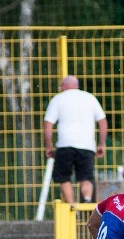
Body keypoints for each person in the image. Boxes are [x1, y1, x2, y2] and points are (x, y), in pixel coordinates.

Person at [43, 75, 108, 204]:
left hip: (65, 145)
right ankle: (87, 200)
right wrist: (101, 144)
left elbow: (48, 125)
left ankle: (72, 206)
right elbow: (103, 122)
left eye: (61, 86)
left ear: (64, 86)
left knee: (63, 177)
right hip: (87, 145)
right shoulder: (90, 98)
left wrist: (48, 146)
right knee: (86, 177)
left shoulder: (58, 99)